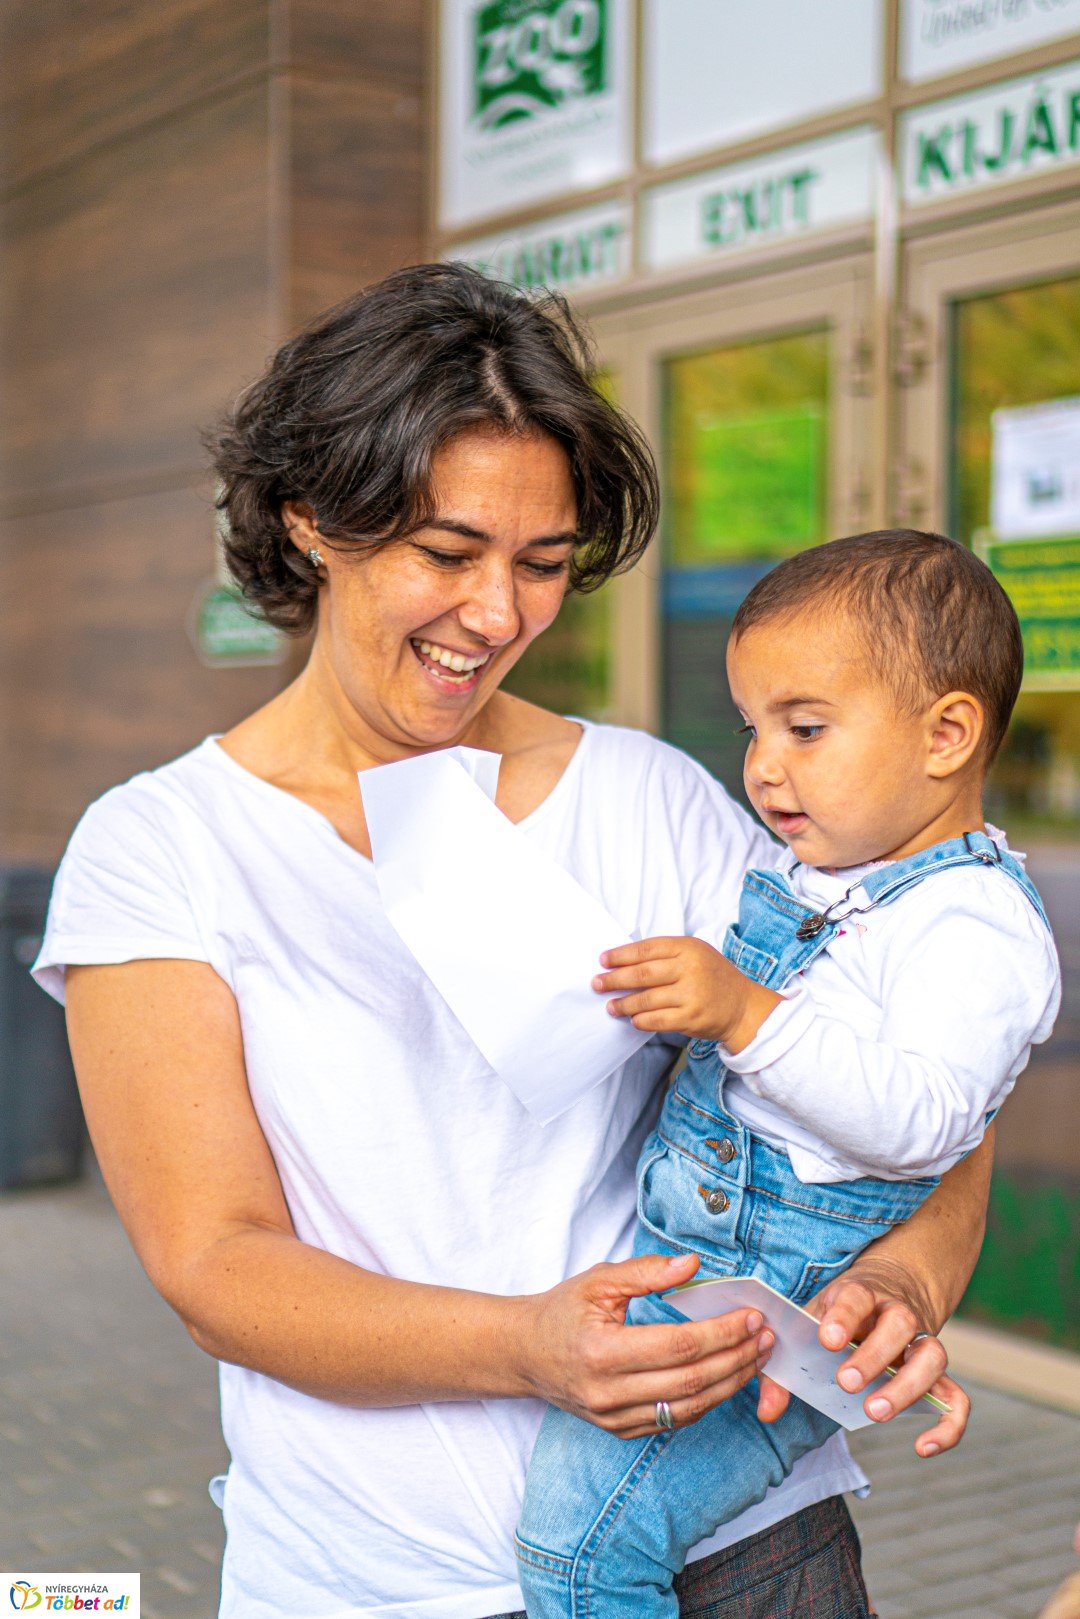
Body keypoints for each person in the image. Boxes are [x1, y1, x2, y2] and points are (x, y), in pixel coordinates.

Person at [33, 264, 984, 1619]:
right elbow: (217, 1259)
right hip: (377, 1574)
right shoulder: (167, 846)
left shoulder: (648, 795)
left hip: (740, 1540)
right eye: (447, 552)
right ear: (312, 519)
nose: (497, 616)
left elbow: (920, 1066)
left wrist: (906, 1269)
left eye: (542, 566)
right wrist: (525, 1346)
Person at [515, 531, 1061, 1618]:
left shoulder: (977, 921)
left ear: (948, 733)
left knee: (579, 1552)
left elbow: (925, 1118)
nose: (763, 764)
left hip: (772, 1304)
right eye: (754, 727)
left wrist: (745, 1012)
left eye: (805, 727)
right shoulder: (821, 873)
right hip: (702, 1267)